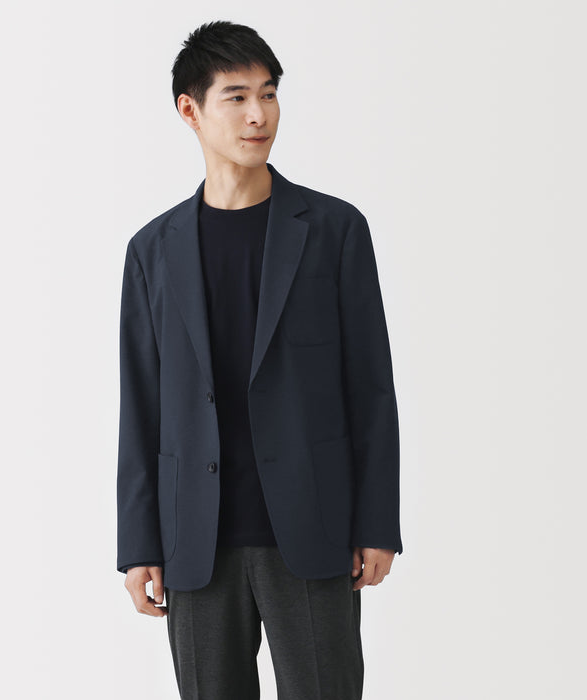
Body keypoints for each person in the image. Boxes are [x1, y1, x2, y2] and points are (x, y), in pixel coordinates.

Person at [116, 20, 403, 700]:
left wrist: (376, 523)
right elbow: (142, 402)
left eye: (269, 94)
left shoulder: (334, 231)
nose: (259, 115)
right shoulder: (153, 250)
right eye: (237, 97)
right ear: (190, 110)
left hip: (312, 527)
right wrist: (139, 543)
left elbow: (370, 387)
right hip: (196, 539)